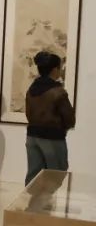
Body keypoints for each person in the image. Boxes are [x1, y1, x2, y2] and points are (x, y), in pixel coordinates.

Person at [24, 51, 76, 184]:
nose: (61, 70)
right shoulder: (58, 92)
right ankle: (46, 198)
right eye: (60, 68)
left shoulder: (31, 90)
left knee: (33, 176)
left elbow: (28, 114)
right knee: (56, 175)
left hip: (32, 136)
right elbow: (69, 119)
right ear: (54, 69)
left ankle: (30, 198)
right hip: (53, 138)